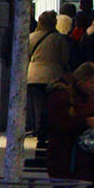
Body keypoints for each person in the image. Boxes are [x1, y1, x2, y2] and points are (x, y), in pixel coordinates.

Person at [25, 10, 68, 144]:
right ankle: (51, 131)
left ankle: (40, 133)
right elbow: (65, 58)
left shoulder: (31, 37)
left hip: (34, 76)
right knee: (53, 105)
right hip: (54, 75)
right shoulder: (59, 39)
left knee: (38, 106)